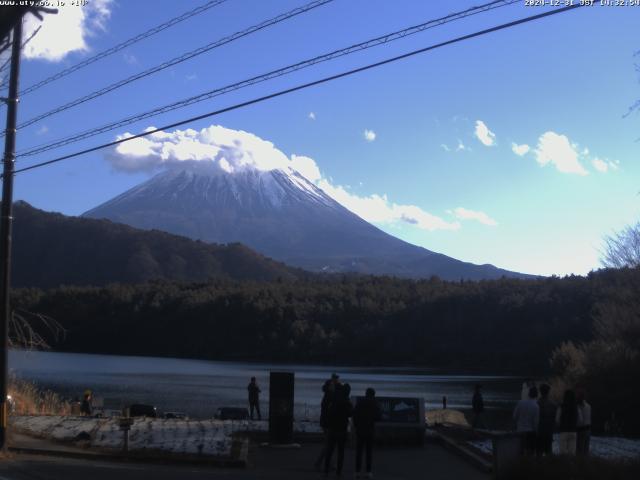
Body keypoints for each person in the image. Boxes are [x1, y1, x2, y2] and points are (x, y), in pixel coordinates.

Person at [324, 383, 353, 478]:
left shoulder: (335, 400)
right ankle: (339, 472)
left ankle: (326, 471)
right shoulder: (346, 401)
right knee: (341, 452)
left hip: (333, 428)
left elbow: (329, 412)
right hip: (342, 428)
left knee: (330, 450)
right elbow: (350, 413)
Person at [353, 388, 381, 478]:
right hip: (370, 430)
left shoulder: (360, 402)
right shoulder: (375, 403)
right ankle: (368, 472)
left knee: (359, 452)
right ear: (373, 395)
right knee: (369, 452)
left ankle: (357, 471)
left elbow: (355, 415)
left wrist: (356, 425)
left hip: (360, 430)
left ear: (366, 394)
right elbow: (378, 417)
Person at [513, 386, 539, 455]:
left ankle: (519, 464)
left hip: (520, 430)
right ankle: (528, 464)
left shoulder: (520, 402)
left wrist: (516, 425)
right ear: (537, 395)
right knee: (530, 451)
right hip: (530, 432)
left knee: (519, 450)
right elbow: (535, 423)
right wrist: (536, 432)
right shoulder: (536, 406)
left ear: (529, 394)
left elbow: (515, 416)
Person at [314, 379, 334, 471]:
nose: (334, 387)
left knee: (328, 444)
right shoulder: (329, 396)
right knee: (328, 444)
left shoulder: (327, 395)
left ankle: (326, 463)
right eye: (332, 385)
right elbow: (330, 411)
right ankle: (319, 462)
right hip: (328, 423)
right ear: (329, 386)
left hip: (325, 422)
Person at [556, 389, 582, 455]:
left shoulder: (561, 407)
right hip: (573, 431)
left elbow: (557, 419)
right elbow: (580, 420)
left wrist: (559, 425)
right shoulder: (576, 407)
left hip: (563, 431)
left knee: (563, 453)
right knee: (572, 453)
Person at [536, 383, 556, 456]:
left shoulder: (537, 404)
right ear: (548, 391)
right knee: (549, 452)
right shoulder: (553, 404)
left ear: (540, 392)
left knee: (539, 453)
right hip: (549, 432)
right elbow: (554, 420)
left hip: (539, 431)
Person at [576, 388, 592, 456]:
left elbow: (579, 420)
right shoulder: (588, 406)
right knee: (586, 450)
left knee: (579, 450)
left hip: (580, 430)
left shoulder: (578, 406)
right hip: (588, 429)